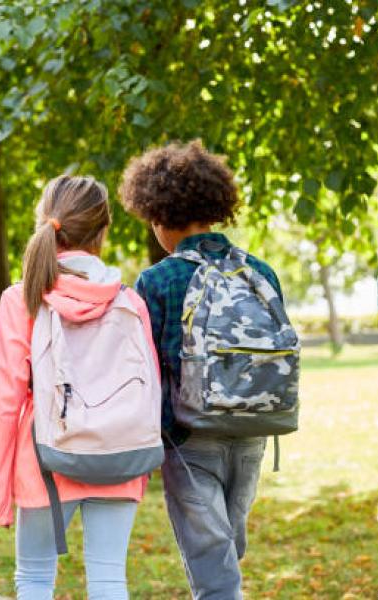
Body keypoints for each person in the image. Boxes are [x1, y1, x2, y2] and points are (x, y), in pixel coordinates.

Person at [0, 175, 160, 600]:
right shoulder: (130, 303)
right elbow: (149, 390)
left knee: (35, 581)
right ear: (103, 230)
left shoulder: (21, 300)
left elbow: (5, 401)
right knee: (110, 580)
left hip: (44, 462)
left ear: (46, 223)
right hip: (118, 456)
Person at [120, 140, 286, 600]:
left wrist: (159, 435)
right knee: (227, 547)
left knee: (213, 560)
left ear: (158, 216)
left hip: (192, 436)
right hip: (255, 426)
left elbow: (146, 369)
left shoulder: (159, 280)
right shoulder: (260, 272)